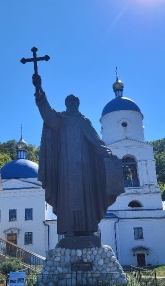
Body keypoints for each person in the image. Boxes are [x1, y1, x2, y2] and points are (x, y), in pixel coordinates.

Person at [33, 74, 123, 236]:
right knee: (67, 197)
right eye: (70, 102)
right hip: (65, 167)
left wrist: (108, 154)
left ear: (78, 105)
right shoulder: (61, 119)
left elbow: (97, 142)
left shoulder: (84, 121)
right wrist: (39, 89)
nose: (73, 104)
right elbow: (47, 113)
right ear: (66, 105)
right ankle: (70, 229)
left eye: (75, 102)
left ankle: (87, 229)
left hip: (85, 168)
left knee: (86, 196)